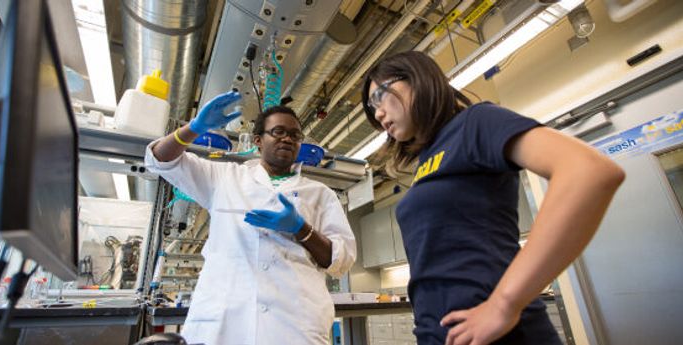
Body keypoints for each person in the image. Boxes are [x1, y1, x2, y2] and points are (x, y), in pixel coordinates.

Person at [361, 51, 625, 345]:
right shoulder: (428, 160)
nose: (377, 114)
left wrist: (504, 303)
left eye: (378, 99)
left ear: (416, 79)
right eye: (372, 109)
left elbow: (588, 171)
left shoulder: (475, 123)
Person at [145, 93, 356, 345]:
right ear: (258, 140)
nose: (287, 138)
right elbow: (160, 160)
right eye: (278, 132)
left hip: (294, 325)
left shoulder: (320, 194)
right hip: (225, 322)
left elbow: (340, 261)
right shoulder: (223, 178)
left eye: (295, 135)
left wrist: (302, 230)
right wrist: (194, 128)